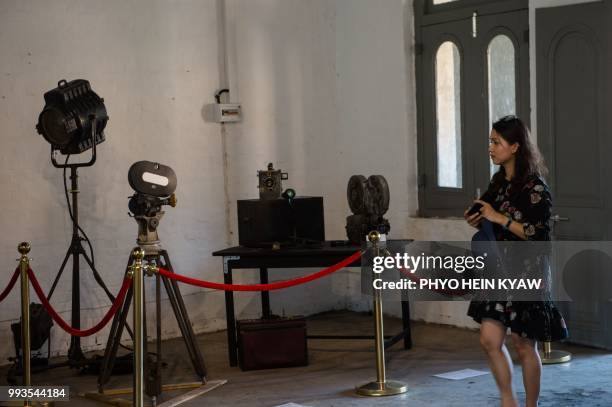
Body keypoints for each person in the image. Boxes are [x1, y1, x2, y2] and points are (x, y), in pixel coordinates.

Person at [464, 115, 568, 407]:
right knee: (489, 339)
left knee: (524, 345)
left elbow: (538, 235)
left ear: (515, 147)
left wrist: (499, 218)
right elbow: (487, 217)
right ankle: (508, 400)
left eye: (496, 142)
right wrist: (476, 218)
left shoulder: (536, 189)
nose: (491, 147)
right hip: (497, 271)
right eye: (490, 141)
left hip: (527, 273)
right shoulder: (498, 182)